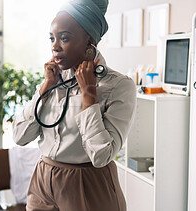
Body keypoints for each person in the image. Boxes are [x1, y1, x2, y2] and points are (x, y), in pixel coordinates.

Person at [13, 0, 136, 210]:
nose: (55, 46)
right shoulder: (52, 80)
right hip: (43, 181)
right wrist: (45, 88)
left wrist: (89, 93)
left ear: (90, 41)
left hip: (87, 184)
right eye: (52, 38)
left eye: (64, 38)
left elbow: (101, 156)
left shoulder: (118, 86)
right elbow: (20, 136)